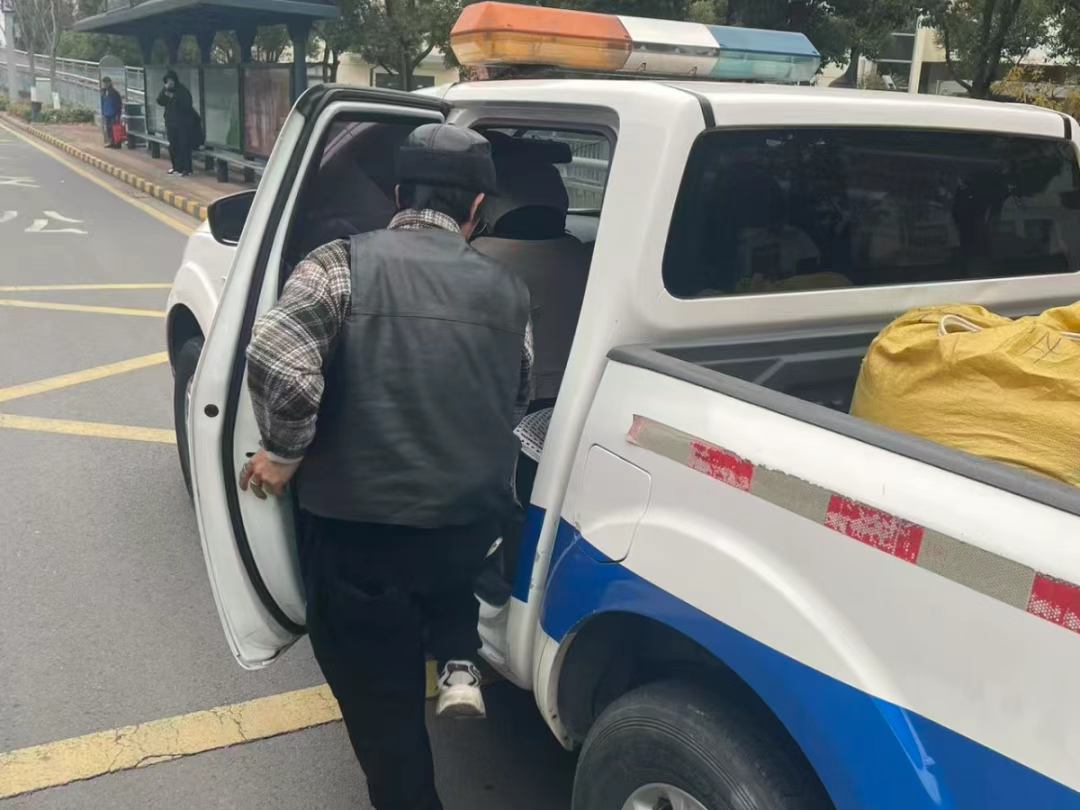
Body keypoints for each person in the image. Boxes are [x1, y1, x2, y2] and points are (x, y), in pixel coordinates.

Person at [240, 124, 533, 810]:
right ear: (477, 207)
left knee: (384, 712)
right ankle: (457, 656)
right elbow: (514, 396)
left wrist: (284, 451)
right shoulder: (510, 292)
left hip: (359, 539)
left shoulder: (340, 263)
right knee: (447, 599)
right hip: (465, 529)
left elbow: (276, 355)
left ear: (399, 194)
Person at [156, 70, 194, 176]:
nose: (170, 83)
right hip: (170, 123)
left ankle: (187, 168)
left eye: (171, 80)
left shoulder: (182, 90)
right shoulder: (166, 90)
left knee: (184, 146)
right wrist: (165, 91)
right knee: (173, 145)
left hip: (182, 124)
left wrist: (174, 97)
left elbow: (187, 105)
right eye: (168, 81)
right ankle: (176, 167)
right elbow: (159, 101)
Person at [100, 78, 123, 149]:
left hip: (114, 113)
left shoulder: (114, 93)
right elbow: (103, 103)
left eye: (106, 83)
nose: (105, 84)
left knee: (115, 129)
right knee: (109, 129)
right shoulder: (103, 92)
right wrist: (103, 112)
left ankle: (117, 143)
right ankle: (111, 142)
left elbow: (119, 104)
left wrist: (118, 114)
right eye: (104, 83)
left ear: (110, 83)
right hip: (107, 113)